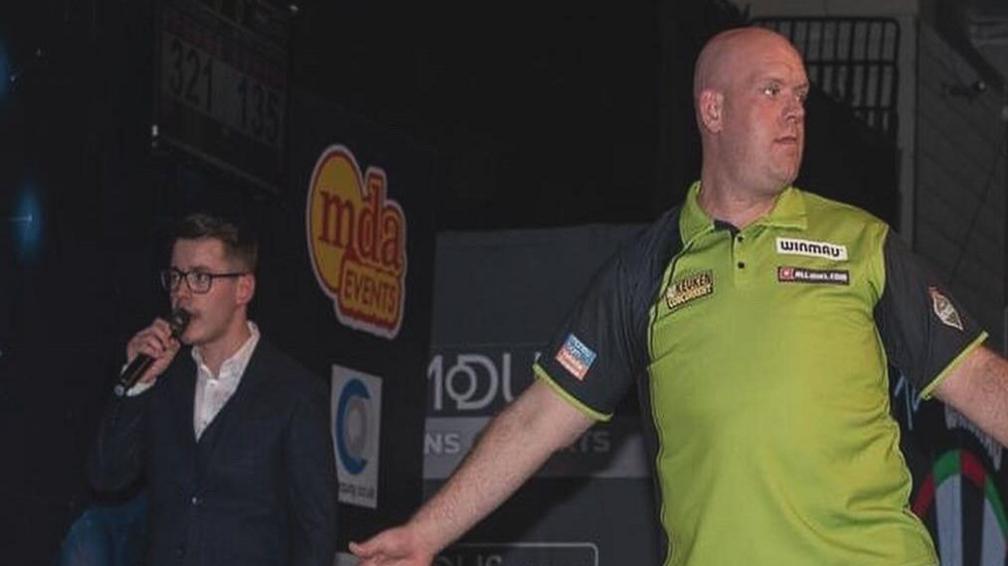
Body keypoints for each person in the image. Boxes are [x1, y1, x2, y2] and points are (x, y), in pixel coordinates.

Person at [350, 26, 1008, 566]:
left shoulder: (860, 242)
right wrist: (427, 533)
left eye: (801, 95)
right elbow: (538, 418)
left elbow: (978, 379)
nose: (795, 111)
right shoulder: (645, 269)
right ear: (713, 110)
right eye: (771, 91)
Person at [89, 212, 337, 566]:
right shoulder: (163, 379)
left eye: (200, 278)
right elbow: (106, 477)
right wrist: (137, 382)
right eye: (175, 278)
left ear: (243, 288)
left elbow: (315, 531)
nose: (182, 294)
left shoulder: (294, 392)